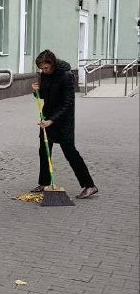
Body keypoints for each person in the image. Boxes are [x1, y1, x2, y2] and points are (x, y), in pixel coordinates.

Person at [31, 49, 97, 199]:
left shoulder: (66, 75)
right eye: (41, 68)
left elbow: (68, 102)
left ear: (52, 63)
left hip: (63, 120)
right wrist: (35, 91)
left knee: (70, 153)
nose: (44, 71)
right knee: (44, 151)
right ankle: (44, 183)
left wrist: (52, 120)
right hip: (47, 118)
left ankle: (89, 185)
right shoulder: (44, 75)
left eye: (46, 67)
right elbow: (43, 95)